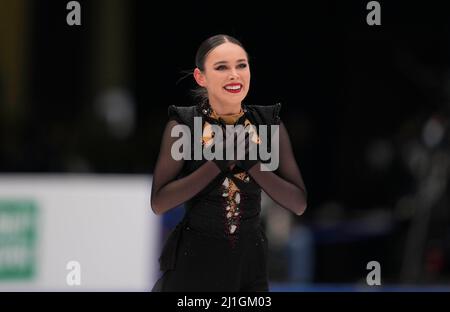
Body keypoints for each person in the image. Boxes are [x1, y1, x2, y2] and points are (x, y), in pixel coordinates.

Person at [150, 34, 307, 292]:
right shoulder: (184, 125)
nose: (234, 74)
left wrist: (253, 165)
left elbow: (298, 203)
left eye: (241, 65)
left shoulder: (269, 124)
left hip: (248, 268)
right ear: (201, 77)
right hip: (194, 266)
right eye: (221, 67)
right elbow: (159, 203)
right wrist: (217, 163)